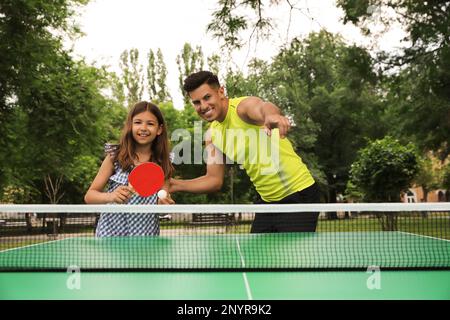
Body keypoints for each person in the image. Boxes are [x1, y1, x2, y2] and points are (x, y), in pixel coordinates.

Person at [169, 71, 320, 233]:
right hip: (267, 203)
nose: (203, 106)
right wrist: (175, 184)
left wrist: (271, 115)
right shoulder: (212, 136)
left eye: (207, 97)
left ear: (221, 92)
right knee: (257, 257)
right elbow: (213, 180)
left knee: (293, 258)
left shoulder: (242, 109)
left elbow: (263, 106)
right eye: (197, 102)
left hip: (298, 195)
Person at [85, 101, 174, 237]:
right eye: (138, 122)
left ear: (159, 129)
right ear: (130, 125)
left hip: (146, 238)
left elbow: (162, 203)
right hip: (110, 236)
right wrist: (111, 196)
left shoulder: (163, 163)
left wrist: (163, 205)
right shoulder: (114, 157)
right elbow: (89, 196)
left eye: (150, 124)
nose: (143, 128)